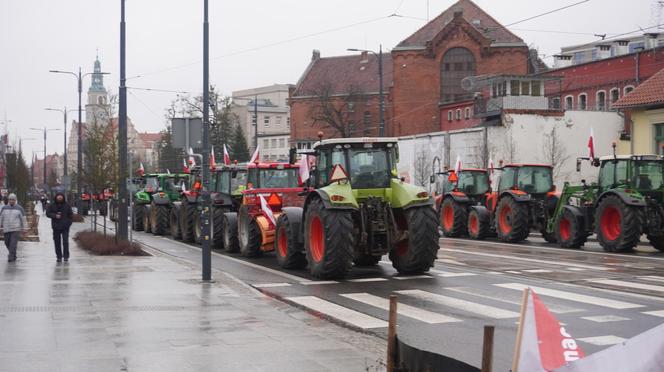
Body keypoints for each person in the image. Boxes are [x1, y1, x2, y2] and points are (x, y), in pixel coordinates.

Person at [0, 194, 29, 262]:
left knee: (13, 244)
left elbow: (23, 219)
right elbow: (1, 218)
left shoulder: (20, 208)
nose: (11, 201)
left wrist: (25, 228)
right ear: (8, 200)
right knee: (7, 243)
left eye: (13, 200)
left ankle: (11, 257)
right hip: (6, 229)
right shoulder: (4, 208)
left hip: (16, 229)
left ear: (15, 200)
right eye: (10, 199)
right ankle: (13, 254)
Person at [46, 192, 73, 263]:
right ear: (56, 197)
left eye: (61, 196)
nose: (60, 198)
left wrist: (69, 223)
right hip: (56, 227)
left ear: (63, 197)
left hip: (65, 227)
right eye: (58, 196)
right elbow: (48, 213)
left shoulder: (67, 205)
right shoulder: (52, 205)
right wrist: (55, 216)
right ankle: (59, 256)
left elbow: (71, 215)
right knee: (57, 242)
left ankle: (66, 256)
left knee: (65, 242)